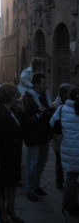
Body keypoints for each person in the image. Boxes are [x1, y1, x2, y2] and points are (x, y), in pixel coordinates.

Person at [0, 84, 24, 223]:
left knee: (12, 185)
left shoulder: (12, 111)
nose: (17, 96)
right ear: (10, 96)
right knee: (2, 188)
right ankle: (3, 214)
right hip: (2, 157)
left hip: (12, 156)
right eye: (15, 94)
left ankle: (11, 210)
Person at [22, 73, 53, 202]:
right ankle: (30, 189)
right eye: (43, 83)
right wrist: (39, 114)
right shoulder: (27, 99)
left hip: (44, 136)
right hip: (33, 137)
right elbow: (25, 121)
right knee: (33, 164)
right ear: (36, 85)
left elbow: (48, 112)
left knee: (42, 163)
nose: (46, 85)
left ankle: (36, 186)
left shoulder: (45, 97)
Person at [60, 85, 79, 216]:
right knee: (72, 179)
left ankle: (68, 204)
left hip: (68, 148)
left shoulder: (63, 108)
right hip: (76, 148)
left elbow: (53, 122)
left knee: (70, 178)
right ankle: (70, 205)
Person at [49, 83, 71, 190]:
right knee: (59, 159)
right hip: (59, 137)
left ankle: (65, 181)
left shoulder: (58, 105)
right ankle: (60, 181)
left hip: (67, 137)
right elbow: (52, 122)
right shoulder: (58, 106)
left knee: (65, 160)